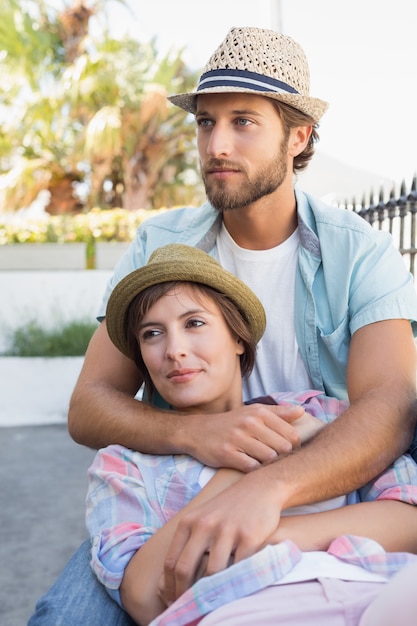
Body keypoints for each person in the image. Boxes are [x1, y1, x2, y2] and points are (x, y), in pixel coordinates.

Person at [28, 26, 417, 626]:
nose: (216, 144)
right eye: (206, 123)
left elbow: (392, 408)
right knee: (65, 618)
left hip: (327, 493)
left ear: (298, 136)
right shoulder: (161, 243)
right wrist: (198, 437)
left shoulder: (360, 252)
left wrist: (266, 490)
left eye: (243, 121)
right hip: (173, 503)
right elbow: (89, 404)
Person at [86, 243, 417, 626]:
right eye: (152, 334)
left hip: (378, 591)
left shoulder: (316, 412)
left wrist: (264, 533)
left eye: (194, 323)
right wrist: (252, 461)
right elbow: (145, 595)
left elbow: (409, 520)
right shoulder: (123, 465)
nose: (174, 350)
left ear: (238, 337)